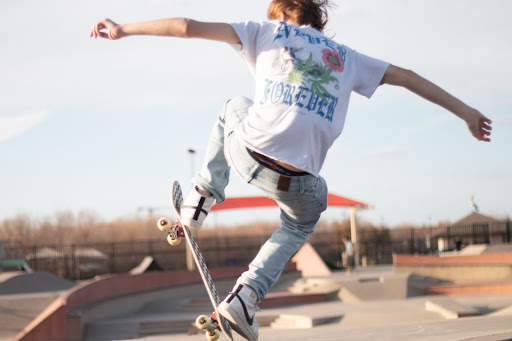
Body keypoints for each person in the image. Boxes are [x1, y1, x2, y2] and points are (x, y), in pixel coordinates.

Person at [90, 1, 492, 339]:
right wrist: (467, 113)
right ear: (316, 20)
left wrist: (123, 29)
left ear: (281, 14)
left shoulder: (265, 31)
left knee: (233, 106)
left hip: (247, 153)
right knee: (301, 222)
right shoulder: (348, 58)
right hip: (300, 182)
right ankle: (246, 298)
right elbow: (407, 77)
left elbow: (185, 26)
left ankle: (200, 200)